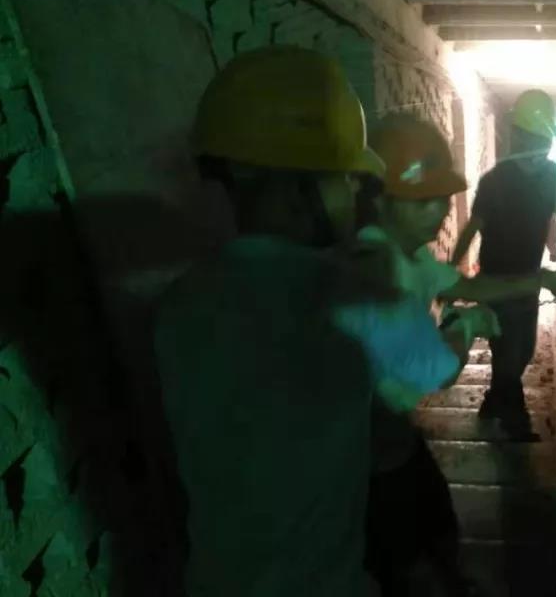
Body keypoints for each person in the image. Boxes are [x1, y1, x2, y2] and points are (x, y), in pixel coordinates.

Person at [154, 47, 489, 597]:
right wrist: (466, 327)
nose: (357, 192)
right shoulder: (350, 294)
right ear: (298, 185)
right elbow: (433, 372)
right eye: (346, 178)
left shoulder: (178, 303)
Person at [361, 112, 556, 596]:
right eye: (424, 200)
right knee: (401, 551)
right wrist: (466, 326)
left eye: (442, 198)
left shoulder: (412, 257)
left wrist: (542, 279)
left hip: (394, 436)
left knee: (436, 519)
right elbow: (431, 373)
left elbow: (469, 287)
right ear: (378, 200)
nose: (441, 211)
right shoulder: (374, 268)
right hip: (370, 447)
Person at [451, 89, 556, 437]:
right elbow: (472, 227)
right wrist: (451, 271)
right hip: (497, 280)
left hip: (529, 278)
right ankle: (514, 418)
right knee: (507, 349)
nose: (538, 149)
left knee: (523, 349)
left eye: (542, 140)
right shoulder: (494, 180)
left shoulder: (550, 176)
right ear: (519, 137)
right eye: (533, 139)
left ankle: (493, 400)